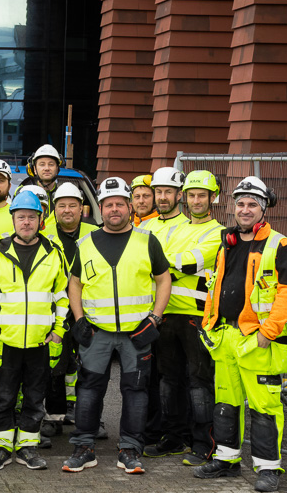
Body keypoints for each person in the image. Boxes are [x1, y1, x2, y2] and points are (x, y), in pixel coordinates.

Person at [194, 177, 287, 493]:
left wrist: (268, 332)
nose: (245, 209)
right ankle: (226, 460)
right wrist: (209, 324)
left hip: (259, 341)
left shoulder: (281, 246)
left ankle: (269, 469)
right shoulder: (228, 243)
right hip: (226, 337)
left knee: (264, 407)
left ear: (263, 209)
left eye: (252, 204)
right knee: (225, 403)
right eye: (240, 204)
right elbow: (215, 286)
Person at [63, 177, 171, 475]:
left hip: (136, 334)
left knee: (136, 391)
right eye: (108, 205)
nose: (114, 209)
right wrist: (79, 318)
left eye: (120, 204)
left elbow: (164, 279)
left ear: (129, 207)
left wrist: (155, 317)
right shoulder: (84, 244)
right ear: (100, 208)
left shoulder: (147, 240)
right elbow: (75, 284)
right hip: (96, 333)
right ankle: (84, 447)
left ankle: (130, 449)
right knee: (87, 390)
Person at [0, 191, 68, 472]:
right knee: (3, 397)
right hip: (6, 341)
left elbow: (62, 297)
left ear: (40, 220)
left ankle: (28, 447)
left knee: (34, 397)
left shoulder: (54, 253)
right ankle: (1, 448)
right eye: (21, 217)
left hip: (40, 342)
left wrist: (58, 333)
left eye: (32, 217)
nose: (26, 222)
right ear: (13, 219)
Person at [144, 170, 223, 464]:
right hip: (166, 314)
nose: (196, 200)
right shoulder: (176, 228)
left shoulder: (218, 232)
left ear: (212, 198)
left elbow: (190, 263)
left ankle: (204, 443)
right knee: (169, 381)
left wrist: (158, 263)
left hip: (195, 316)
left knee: (199, 382)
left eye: (202, 195)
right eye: (192, 195)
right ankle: (174, 438)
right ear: (184, 198)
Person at [136, 166, 187, 450]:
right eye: (159, 192)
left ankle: (178, 434)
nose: (163, 197)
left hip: (180, 313)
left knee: (177, 379)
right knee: (151, 378)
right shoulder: (145, 227)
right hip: (148, 315)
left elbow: (173, 266)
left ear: (179, 195)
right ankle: (153, 432)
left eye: (168, 191)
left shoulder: (187, 227)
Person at [41, 182, 98, 434]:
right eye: (61, 205)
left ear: (80, 208)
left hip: (91, 308)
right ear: (55, 209)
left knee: (91, 367)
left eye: (72, 205)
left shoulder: (96, 231)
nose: (67, 210)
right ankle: (54, 418)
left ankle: (91, 421)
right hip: (55, 310)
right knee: (56, 364)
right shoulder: (45, 235)